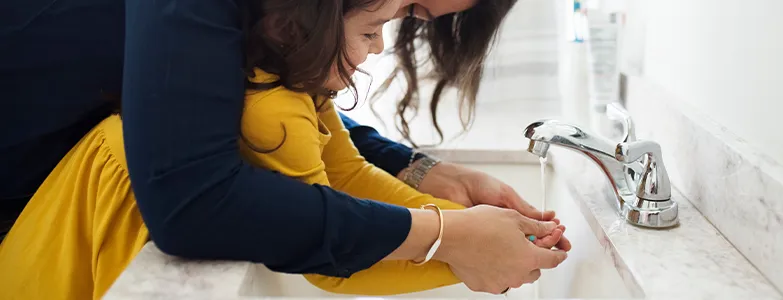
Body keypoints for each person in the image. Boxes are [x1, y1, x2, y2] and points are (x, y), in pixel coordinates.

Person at [0, 0, 570, 298]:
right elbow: (195, 205)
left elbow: (342, 169)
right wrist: (458, 240)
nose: (380, 47)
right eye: (388, 21)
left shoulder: (274, 57)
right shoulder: (252, 86)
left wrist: (459, 215)